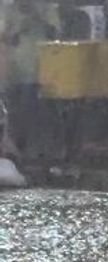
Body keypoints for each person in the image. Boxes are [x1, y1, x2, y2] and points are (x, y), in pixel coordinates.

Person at [2, 0, 59, 160]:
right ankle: (14, 151)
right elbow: (5, 38)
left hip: (40, 71)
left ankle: (35, 152)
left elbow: (56, 35)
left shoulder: (47, 8)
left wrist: (39, 18)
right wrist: (20, 28)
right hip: (14, 71)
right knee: (13, 112)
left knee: (37, 112)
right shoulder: (8, 10)